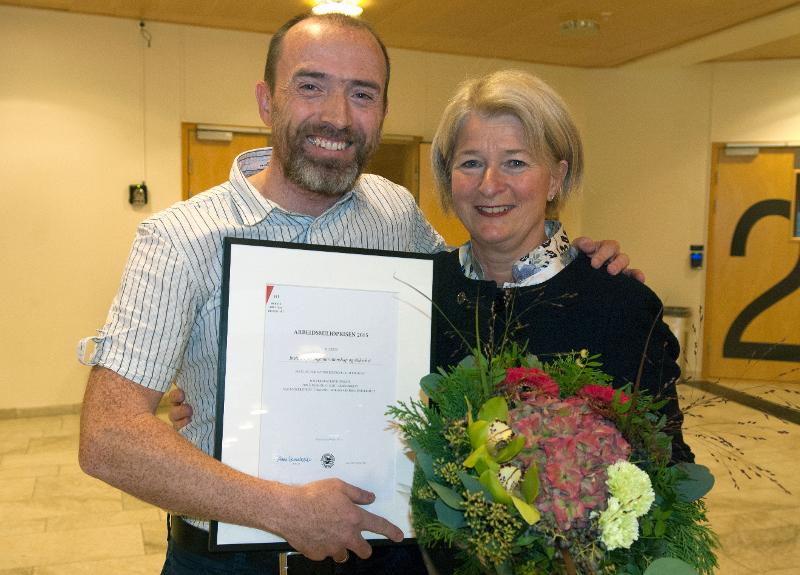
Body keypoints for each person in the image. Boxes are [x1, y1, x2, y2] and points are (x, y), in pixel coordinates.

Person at [78, 12, 634, 575]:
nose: (337, 116)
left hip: (381, 553)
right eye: (311, 86)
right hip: (232, 562)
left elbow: (480, 284)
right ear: (267, 101)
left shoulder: (395, 213)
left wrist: (575, 262)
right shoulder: (179, 239)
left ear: (382, 113)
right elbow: (107, 437)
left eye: (362, 94)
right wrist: (282, 507)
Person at [429, 69, 693, 463]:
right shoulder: (421, 291)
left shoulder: (618, 303)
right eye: (470, 163)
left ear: (556, 178)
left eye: (515, 162)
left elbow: (666, 467)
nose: (489, 184)